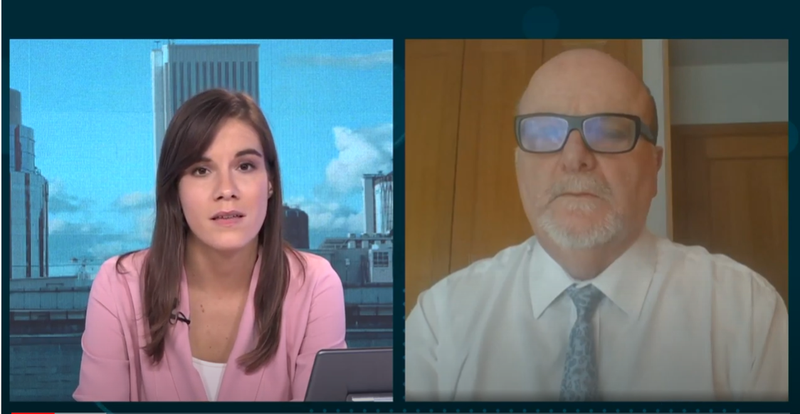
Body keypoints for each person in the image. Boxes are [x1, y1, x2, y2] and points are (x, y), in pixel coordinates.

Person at [405, 49, 788, 402]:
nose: (575, 157)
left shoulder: (747, 314)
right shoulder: (440, 324)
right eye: (544, 134)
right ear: (519, 165)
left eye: (610, 132)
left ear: (654, 167)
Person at [73, 89, 347, 402]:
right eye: (201, 170)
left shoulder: (315, 286)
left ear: (270, 181)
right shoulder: (120, 287)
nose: (226, 190)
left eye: (245, 166)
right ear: (175, 188)